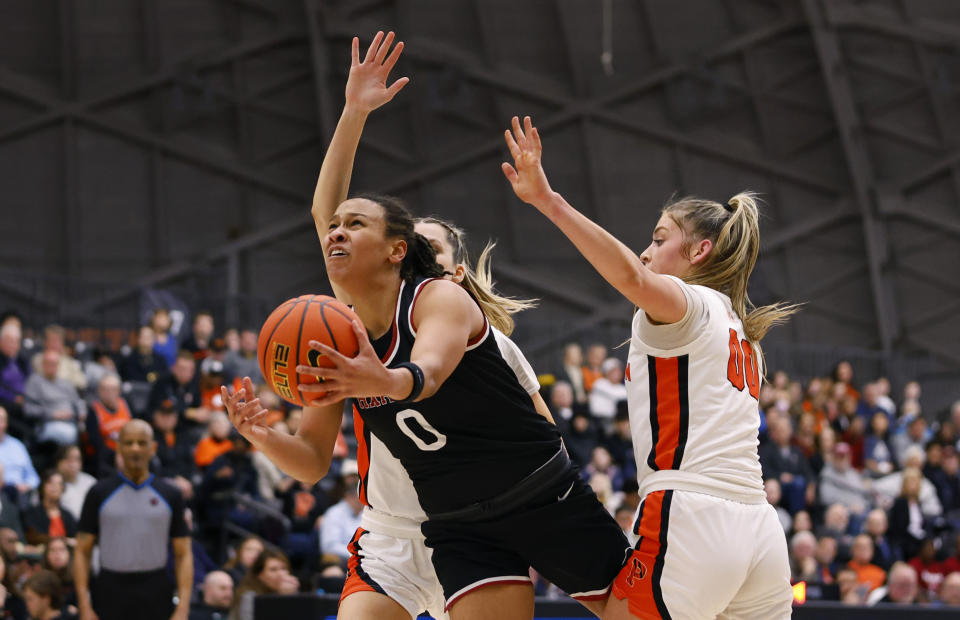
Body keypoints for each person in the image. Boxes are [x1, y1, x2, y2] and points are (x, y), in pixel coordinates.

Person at [224, 31, 628, 620]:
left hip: (525, 496)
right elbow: (311, 460)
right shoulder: (337, 327)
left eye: (354, 226)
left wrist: (377, 380)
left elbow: (433, 376)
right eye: (337, 229)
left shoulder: (442, 302)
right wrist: (354, 111)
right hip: (429, 526)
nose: (335, 233)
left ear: (405, 255)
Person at [502, 114, 798, 617]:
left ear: (699, 251)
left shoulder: (692, 304)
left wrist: (548, 202)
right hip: (760, 532)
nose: (646, 250)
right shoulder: (741, 329)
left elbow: (630, 278)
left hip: (694, 513)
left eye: (660, 239)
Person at [74, 420, 192, 620]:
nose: (135, 448)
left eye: (141, 442)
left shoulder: (171, 494)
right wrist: (84, 605)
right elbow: (81, 551)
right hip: (110, 588)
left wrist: (183, 608)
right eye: (128, 443)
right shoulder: (98, 493)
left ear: (153, 447)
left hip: (156, 588)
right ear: (118, 447)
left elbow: (183, 554)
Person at [23, 351, 85, 446]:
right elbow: (29, 409)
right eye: (49, 364)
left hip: (72, 421)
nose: (52, 367)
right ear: (43, 364)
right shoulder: (35, 382)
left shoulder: (65, 383)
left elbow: (78, 401)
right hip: (47, 424)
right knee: (68, 434)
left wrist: (81, 412)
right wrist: (52, 414)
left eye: (55, 364)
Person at [229, 550, 298, 620]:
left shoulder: (291, 592)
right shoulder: (250, 597)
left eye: (283, 568)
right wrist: (283, 599)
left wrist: (292, 596)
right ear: (260, 575)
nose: (281, 574)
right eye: (273, 569)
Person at [85, 375, 132, 473]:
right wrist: (115, 455)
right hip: (105, 454)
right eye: (104, 389)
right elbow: (94, 440)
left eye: (113, 389)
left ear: (119, 391)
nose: (109, 393)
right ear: (99, 391)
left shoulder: (126, 404)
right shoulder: (94, 410)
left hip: (128, 450)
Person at [22, 471, 77, 546]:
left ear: (63, 488)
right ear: (42, 486)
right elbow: (33, 536)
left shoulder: (68, 515)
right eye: (50, 482)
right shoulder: (31, 513)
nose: (55, 486)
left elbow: (76, 538)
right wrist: (65, 541)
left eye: (59, 484)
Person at [0, 407, 39, 496]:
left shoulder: (17, 445)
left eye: (1, 419)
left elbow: (33, 477)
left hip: (20, 494)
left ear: (6, 423)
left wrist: (26, 486)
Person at [54, 446, 95, 523]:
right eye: (68, 459)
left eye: (77, 459)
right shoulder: (50, 483)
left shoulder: (90, 481)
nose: (73, 464)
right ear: (58, 462)